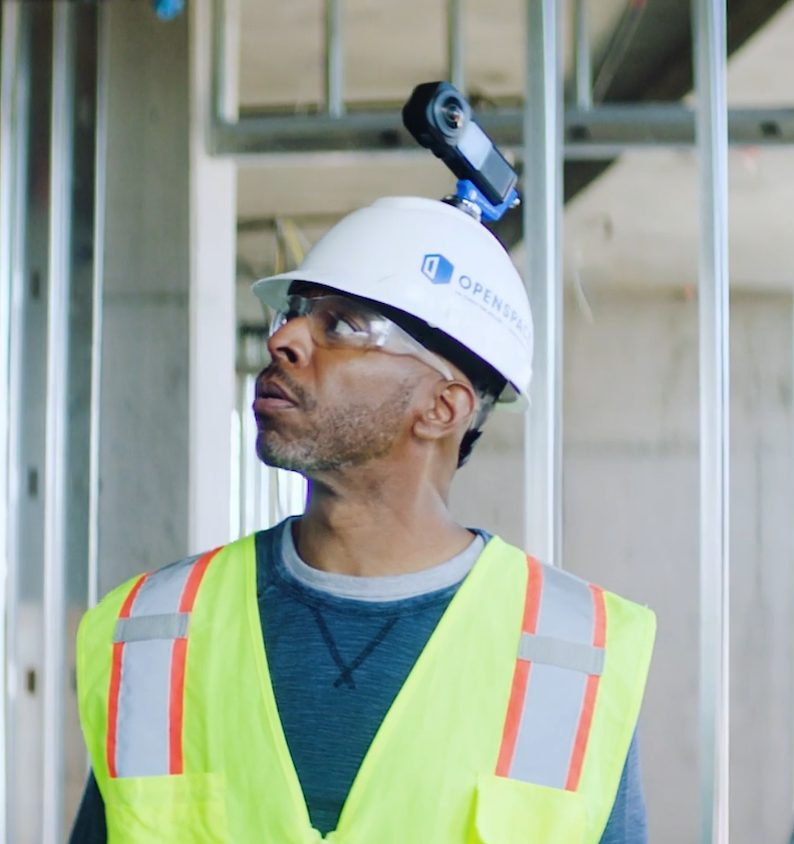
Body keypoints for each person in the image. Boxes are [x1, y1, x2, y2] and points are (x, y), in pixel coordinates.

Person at [70, 195, 655, 842]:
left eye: (344, 325)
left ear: (442, 408)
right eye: (295, 314)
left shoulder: (566, 656)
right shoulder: (154, 632)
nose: (283, 339)